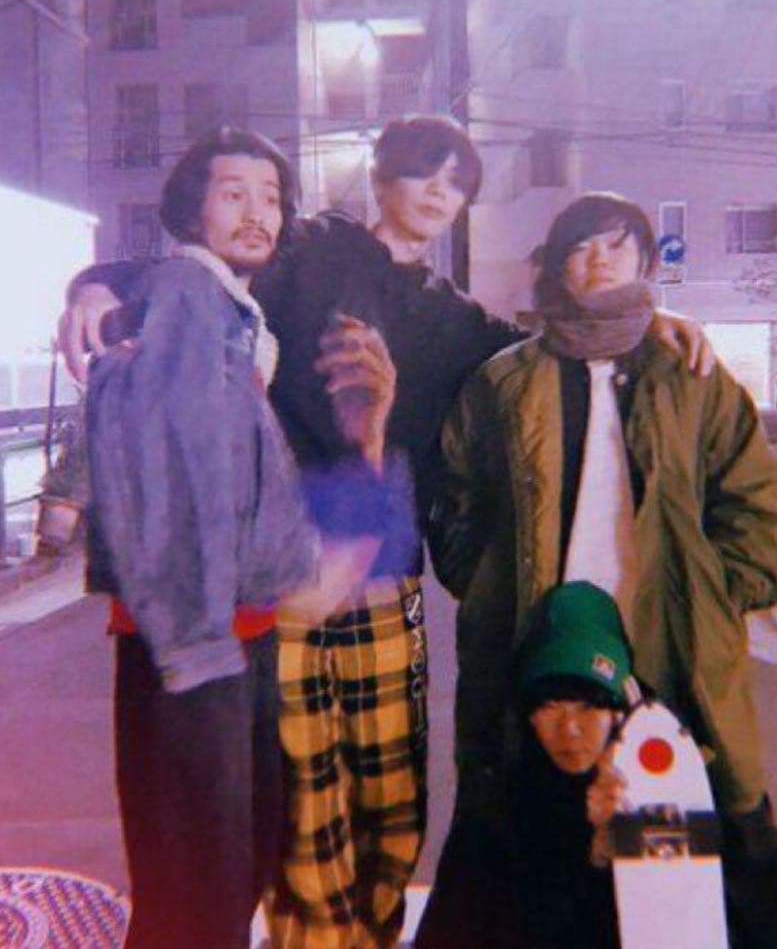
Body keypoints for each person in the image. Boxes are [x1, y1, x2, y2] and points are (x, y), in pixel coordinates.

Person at [60, 119, 713, 948]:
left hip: (385, 567)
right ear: (378, 178)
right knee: (298, 804)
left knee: (390, 794)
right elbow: (202, 269)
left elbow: (556, 346)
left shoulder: (458, 319)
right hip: (285, 572)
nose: (439, 191)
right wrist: (96, 282)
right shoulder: (307, 250)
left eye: (456, 181)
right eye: (420, 172)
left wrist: (648, 320)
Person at [425, 191, 777, 948]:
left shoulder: (691, 375)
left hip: (667, 644)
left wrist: (708, 594)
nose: (597, 260)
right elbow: (454, 498)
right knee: (527, 828)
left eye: (616, 245)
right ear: (556, 267)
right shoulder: (504, 381)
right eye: (580, 246)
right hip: (537, 644)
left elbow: (760, 507)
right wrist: (490, 582)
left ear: (644, 261)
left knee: (694, 830)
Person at [86, 126, 397, 949]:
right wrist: (195, 642)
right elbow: (172, 480)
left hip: (230, 629)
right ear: (192, 210)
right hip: (196, 636)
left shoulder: (230, 308)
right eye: (233, 194)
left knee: (222, 860)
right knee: (202, 876)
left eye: (270, 198)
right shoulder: (188, 292)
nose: (258, 212)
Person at [416, 580, 638, 949]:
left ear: (619, 711)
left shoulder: (664, 793)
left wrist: (614, 848)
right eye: (550, 706)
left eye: (589, 706)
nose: (570, 728)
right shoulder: (492, 818)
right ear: (527, 715)